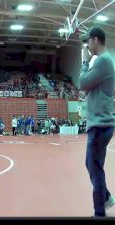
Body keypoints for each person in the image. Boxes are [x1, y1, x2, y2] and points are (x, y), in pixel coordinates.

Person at [79, 27, 115, 217]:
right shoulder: (104, 61)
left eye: (88, 42)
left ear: (95, 40)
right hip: (101, 123)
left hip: (101, 124)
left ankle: (99, 211)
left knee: (94, 166)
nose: (87, 45)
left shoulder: (102, 61)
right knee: (91, 164)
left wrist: (85, 62)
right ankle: (106, 196)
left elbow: (82, 83)